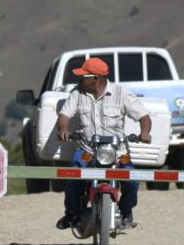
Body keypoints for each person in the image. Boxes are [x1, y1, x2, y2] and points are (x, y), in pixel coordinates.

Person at [55, 57, 152, 229]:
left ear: (96, 79)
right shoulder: (77, 93)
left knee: (132, 181)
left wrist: (144, 132)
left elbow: (144, 116)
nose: (80, 80)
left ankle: (125, 212)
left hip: (118, 151)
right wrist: (63, 129)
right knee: (73, 177)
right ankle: (72, 214)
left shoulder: (122, 93)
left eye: (84, 76)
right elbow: (64, 116)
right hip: (87, 150)